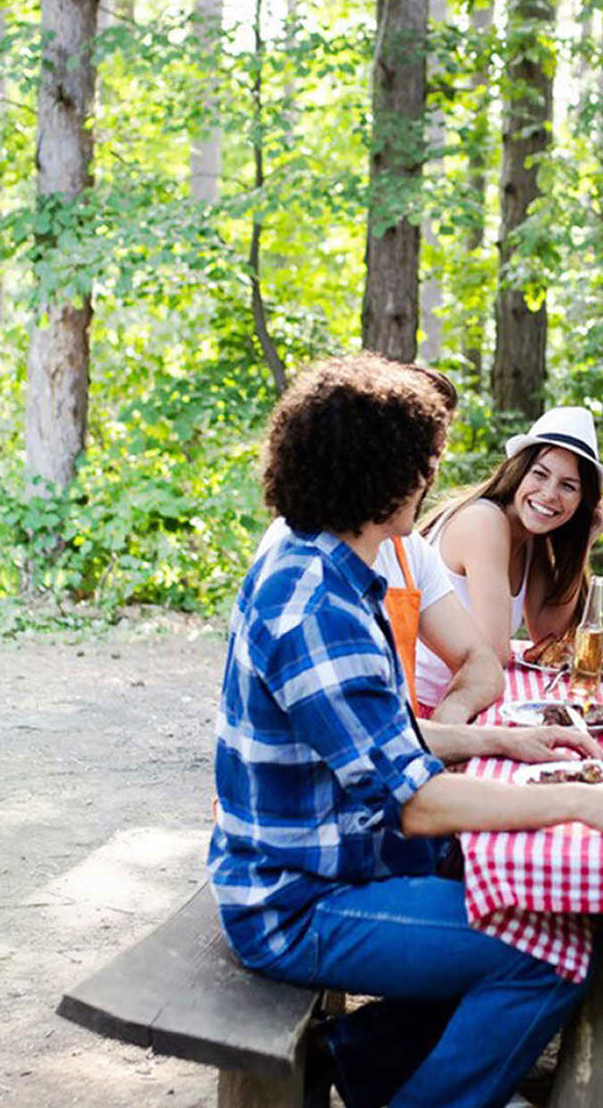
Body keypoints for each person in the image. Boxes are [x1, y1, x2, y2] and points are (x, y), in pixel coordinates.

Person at [208, 353, 603, 1108]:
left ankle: (358, 1062)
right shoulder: (315, 607)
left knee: (522, 897)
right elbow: (417, 803)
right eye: (424, 462)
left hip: (337, 857)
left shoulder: (328, 564)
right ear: (382, 475)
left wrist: (503, 743)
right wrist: (583, 805)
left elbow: (391, 745)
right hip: (295, 902)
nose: (432, 479)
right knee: (550, 952)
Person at [254, 369, 503, 723]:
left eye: (432, 459)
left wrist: (453, 713)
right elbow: (375, 746)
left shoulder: (409, 550)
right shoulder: (307, 578)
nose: (428, 478)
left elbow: (481, 659)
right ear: (370, 460)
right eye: (421, 459)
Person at [415, 406, 603, 711]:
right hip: (421, 708)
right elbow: (494, 655)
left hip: (461, 703)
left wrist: (583, 541)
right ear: (518, 471)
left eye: (568, 486)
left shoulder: (532, 540)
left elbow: (548, 637)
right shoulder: (485, 522)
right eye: (540, 474)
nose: (549, 494)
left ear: (583, 501)